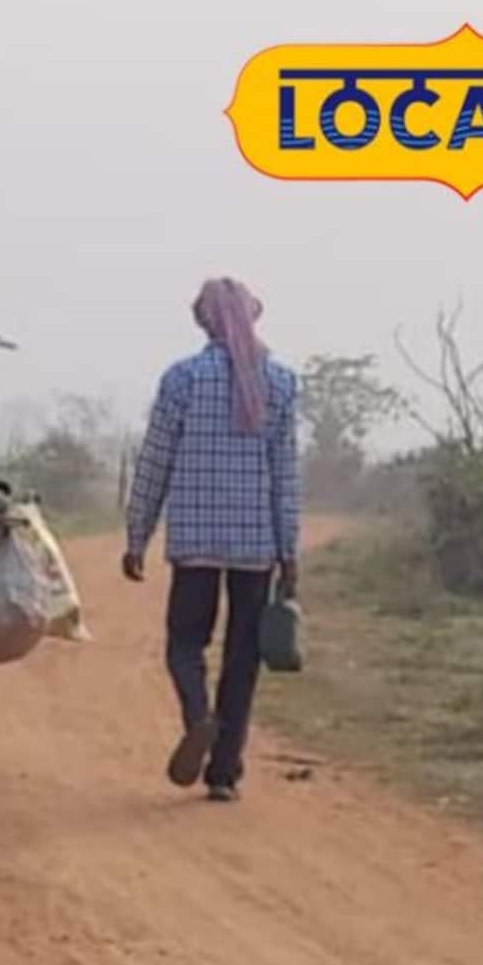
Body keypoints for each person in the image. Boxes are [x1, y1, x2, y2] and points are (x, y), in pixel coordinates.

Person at [122, 277, 300, 803]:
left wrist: (137, 535)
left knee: (185, 644)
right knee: (243, 657)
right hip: (256, 547)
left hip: (195, 542)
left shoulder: (182, 379)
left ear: (203, 322)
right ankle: (223, 773)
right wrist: (289, 552)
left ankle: (199, 717)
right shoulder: (281, 382)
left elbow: (154, 462)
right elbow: (285, 475)